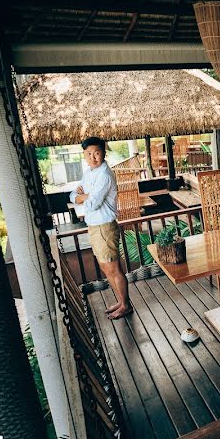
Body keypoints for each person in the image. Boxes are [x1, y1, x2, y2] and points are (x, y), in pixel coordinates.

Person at [71, 137, 131, 319]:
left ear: (104, 153)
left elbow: (93, 204)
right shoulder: (89, 173)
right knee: (105, 268)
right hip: (94, 226)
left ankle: (126, 305)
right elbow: (73, 195)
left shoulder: (104, 175)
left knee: (113, 268)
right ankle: (121, 301)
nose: (92, 157)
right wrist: (83, 196)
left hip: (104, 227)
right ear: (84, 155)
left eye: (96, 153)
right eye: (88, 154)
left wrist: (84, 197)